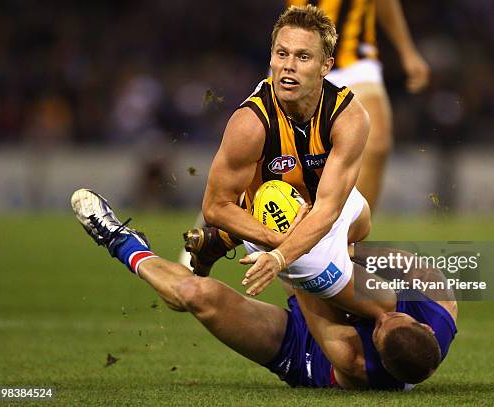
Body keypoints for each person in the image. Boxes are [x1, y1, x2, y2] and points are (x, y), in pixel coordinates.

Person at [70, 188, 456, 389]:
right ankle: (224, 238)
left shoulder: (356, 361)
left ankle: (119, 240)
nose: (385, 317)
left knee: (196, 297)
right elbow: (384, 255)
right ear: (423, 326)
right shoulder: (439, 301)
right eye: (398, 317)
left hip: (308, 350)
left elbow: (304, 289)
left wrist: (288, 248)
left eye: (381, 328)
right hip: (344, 284)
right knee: (352, 247)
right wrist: (335, 248)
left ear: (379, 351)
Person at [185, 5, 391, 319]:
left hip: (318, 210)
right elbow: (214, 206)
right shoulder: (250, 124)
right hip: (268, 222)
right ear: (270, 58)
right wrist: (277, 243)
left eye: (302, 57)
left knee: (362, 221)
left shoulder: (349, 117)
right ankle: (131, 247)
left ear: (326, 65)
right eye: (281, 54)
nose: (288, 67)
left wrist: (282, 257)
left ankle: (223, 239)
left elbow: (328, 210)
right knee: (381, 308)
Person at [286, 0, 430, 208]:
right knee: (288, 150)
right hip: (298, 56)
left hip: (354, 58)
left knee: (376, 143)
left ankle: (350, 236)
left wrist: (407, 51)